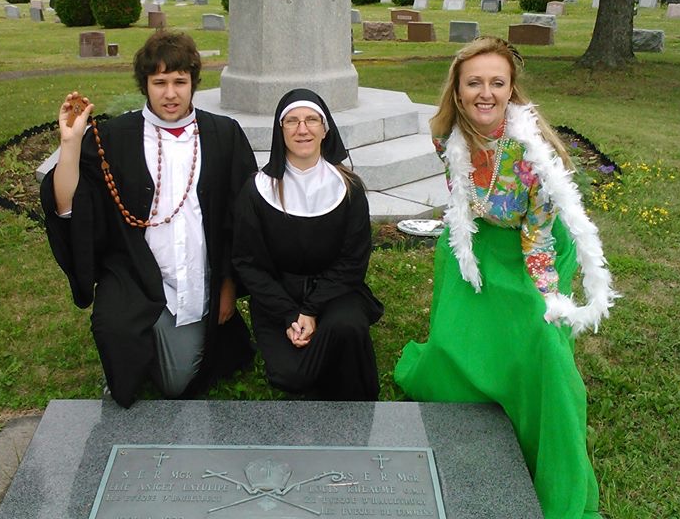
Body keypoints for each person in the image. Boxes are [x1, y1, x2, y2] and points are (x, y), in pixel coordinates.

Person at [393, 37, 619, 518]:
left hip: (531, 247)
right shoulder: (445, 137)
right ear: (457, 90)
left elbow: (538, 240)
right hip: (476, 241)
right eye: (474, 82)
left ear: (512, 90)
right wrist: (466, 247)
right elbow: (461, 203)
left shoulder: (532, 156)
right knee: (460, 319)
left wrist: (544, 299)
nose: (485, 93)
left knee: (536, 337)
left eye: (497, 83)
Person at [40, 29, 256, 408]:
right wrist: (71, 145)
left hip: (195, 276)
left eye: (179, 81)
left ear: (193, 83)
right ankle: (139, 334)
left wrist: (228, 286)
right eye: (159, 82)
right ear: (145, 85)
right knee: (113, 329)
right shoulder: (115, 137)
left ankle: (187, 335)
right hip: (134, 274)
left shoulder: (224, 135)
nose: (170, 94)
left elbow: (241, 222)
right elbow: (72, 205)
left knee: (176, 384)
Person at [232, 88, 384, 400]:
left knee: (347, 329)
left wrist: (312, 310)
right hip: (278, 300)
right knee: (290, 377)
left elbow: (353, 262)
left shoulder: (349, 188)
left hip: (335, 294)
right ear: (280, 130)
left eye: (312, 120)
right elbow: (248, 263)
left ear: (325, 129)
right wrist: (289, 314)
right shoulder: (257, 190)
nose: (302, 129)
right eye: (292, 121)